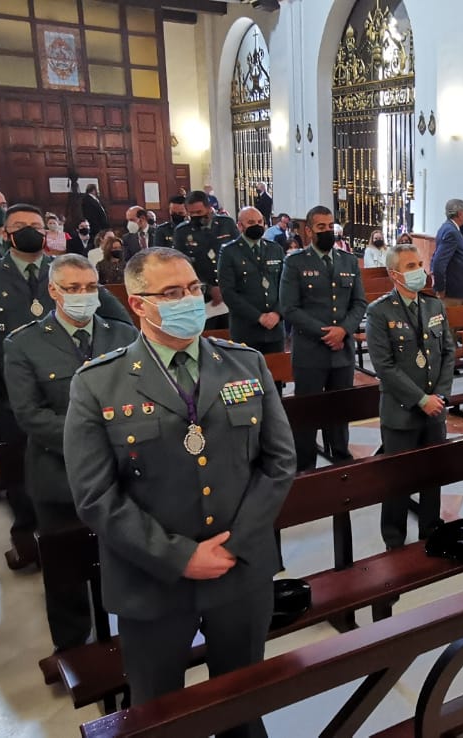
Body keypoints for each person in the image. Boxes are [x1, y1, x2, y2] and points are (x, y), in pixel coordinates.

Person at [64, 247, 295, 732]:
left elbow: (279, 463)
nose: (188, 300)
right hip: (152, 581)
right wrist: (179, 557)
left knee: (243, 702)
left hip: (239, 571)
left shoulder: (244, 363)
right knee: (158, 713)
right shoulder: (97, 383)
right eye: (171, 293)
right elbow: (95, 496)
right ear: (138, 304)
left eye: (192, 289)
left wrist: (232, 545)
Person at [0, 204, 131, 564]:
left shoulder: (66, 272)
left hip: (72, 381)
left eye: (35, 224)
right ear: (6, 233)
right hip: (11, 381)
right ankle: (28, 531)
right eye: (20, 226)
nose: (29, 230)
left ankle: (87, 529)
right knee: (22, 459)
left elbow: (113, 315)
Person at [2, 254, 137, 662]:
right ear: (53, 291)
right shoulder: (24, 343)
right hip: (58, 473)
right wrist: (94, 439)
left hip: (122, 469)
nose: (83, 296)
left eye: (90, 288)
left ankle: (133, 632)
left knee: (128, 552)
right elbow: (30, 415)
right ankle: (73, 646)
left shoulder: (123, 335)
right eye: (73, 289)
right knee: (67, 569)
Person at [365, 242, 455, 550]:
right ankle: (394, 541)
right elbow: (385, 367)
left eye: (420, 264)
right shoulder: (379, 312)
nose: (420, 271)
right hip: (402, 410)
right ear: (394, 274)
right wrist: (421, 399)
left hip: (435, 408)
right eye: (411, 267)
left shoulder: (434, 306)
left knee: (432, 475)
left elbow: (448, 352)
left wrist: (439, 396)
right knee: (398, 482)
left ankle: (430, 531)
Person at [279, 206, 368, 470]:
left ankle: (340, 457)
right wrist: (325, 333)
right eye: (321, 227)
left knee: (340, 409)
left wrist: (344, 330)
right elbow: (289, 307)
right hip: (310, 351)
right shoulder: (295, 262)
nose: (328, 231)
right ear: (308, 230)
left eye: (331, 226)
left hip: (342, 351)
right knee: (309, 411)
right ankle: (305, 464)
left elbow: (359, 302)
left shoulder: (348, 261)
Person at [218, 207, 286, 354]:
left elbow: (286, 286)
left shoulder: (275, 249)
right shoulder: (230, 251)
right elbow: (228, 292)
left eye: (260, 221)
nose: (257, 225)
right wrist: (258, 317)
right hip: (246, 330)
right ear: (240, 226)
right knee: (248, 376)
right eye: (251, 222)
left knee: (276, 375)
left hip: (275, 330)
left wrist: (277, 313)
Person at [172, 190, 239, 329]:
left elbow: (238, 256)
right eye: (191, 213)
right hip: (201, 297)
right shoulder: (182, 231)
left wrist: (226, 287)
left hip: (230, 293)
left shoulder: (226, 224)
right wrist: (208, 288)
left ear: (209, 208)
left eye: (199, 212)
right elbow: (182, 266)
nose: (195, 216)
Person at [431, 198, 463, 306]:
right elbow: (439, 263)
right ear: (460, 214)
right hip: (454, 293)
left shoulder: (447, 228)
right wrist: (440, 288)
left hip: (458, 290)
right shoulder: (451, 232)